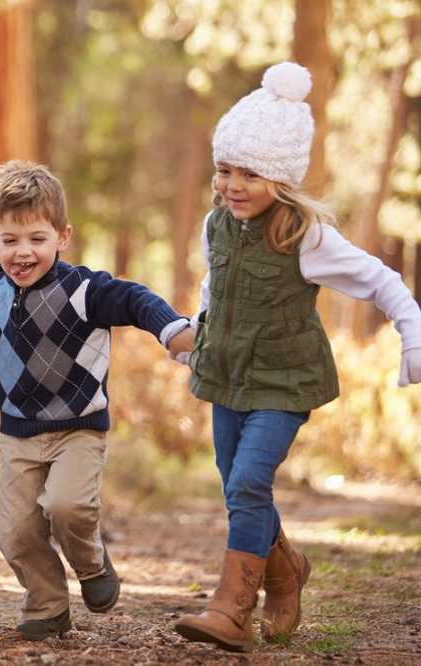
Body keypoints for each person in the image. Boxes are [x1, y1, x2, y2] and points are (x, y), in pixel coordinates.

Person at [0, 161, 195, 640]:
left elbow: (135, 299)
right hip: (18, 431)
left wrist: (171, 329)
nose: (22, 253)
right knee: (16, 534)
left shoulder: (84, 290)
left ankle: (90, 565)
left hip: (78, 425)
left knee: (68, 507)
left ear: (62, 237)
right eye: (10, 241)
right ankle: (47, 604)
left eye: (36, 239)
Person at [172, 62, 421, 653]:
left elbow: (382, 281)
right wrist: (196, 334)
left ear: (281, 179)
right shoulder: (218, 225)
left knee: (250, 480)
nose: (233, 185)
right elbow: (217, 286)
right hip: (227, 374)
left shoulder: (304, 235)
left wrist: (413, 337)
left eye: (250, 174)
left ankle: (232, 609)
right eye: (224, 170)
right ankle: (286, 570)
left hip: (284, 381)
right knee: (236, 484)